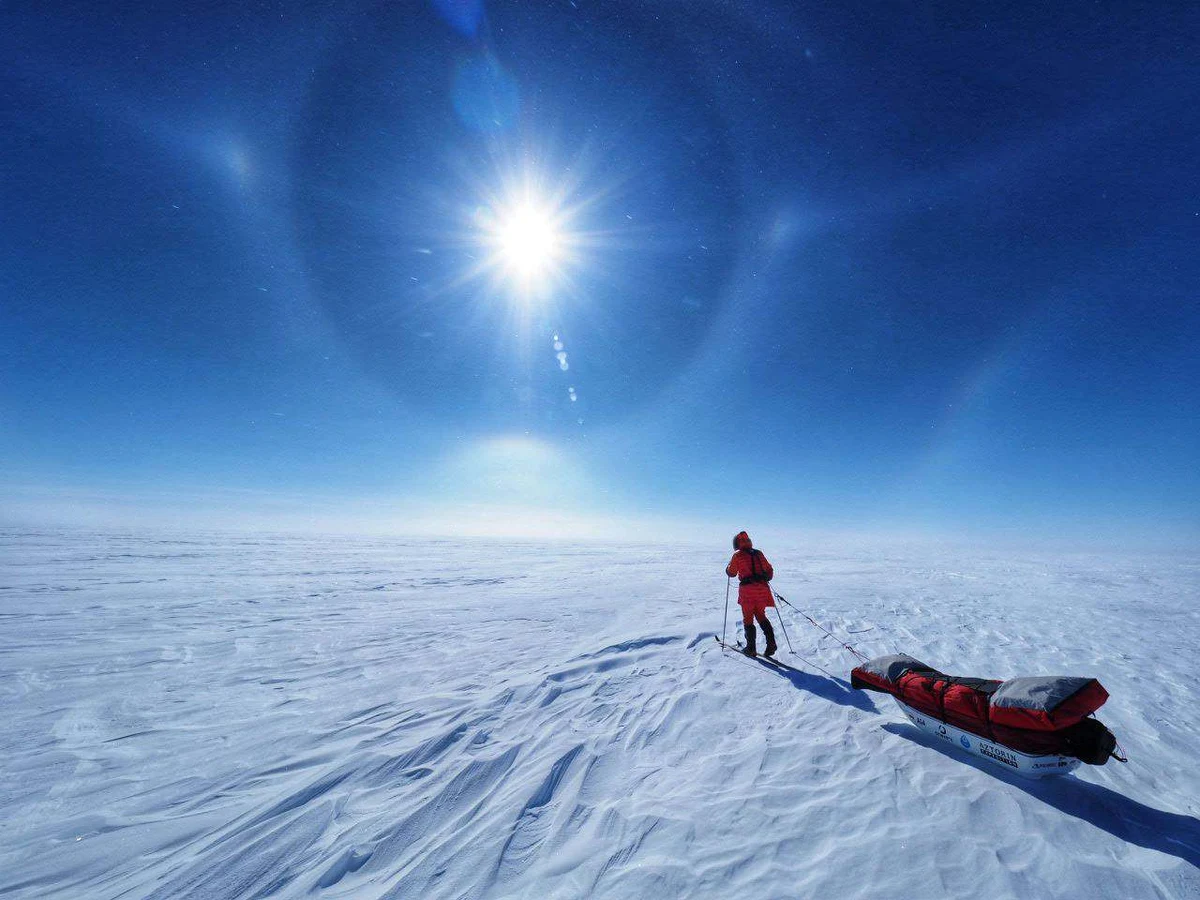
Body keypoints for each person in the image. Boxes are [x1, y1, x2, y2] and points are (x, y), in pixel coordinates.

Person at [726, 531, 777, 658]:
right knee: (761, 615)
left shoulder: (737, 555)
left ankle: (751, 648)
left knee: (748, 618)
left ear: (736, 544)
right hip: (762, 590)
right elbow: (769, 571)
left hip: (747, 592)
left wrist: (727, 569)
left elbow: (732, 573)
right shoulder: (758, 553)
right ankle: (771, 644)